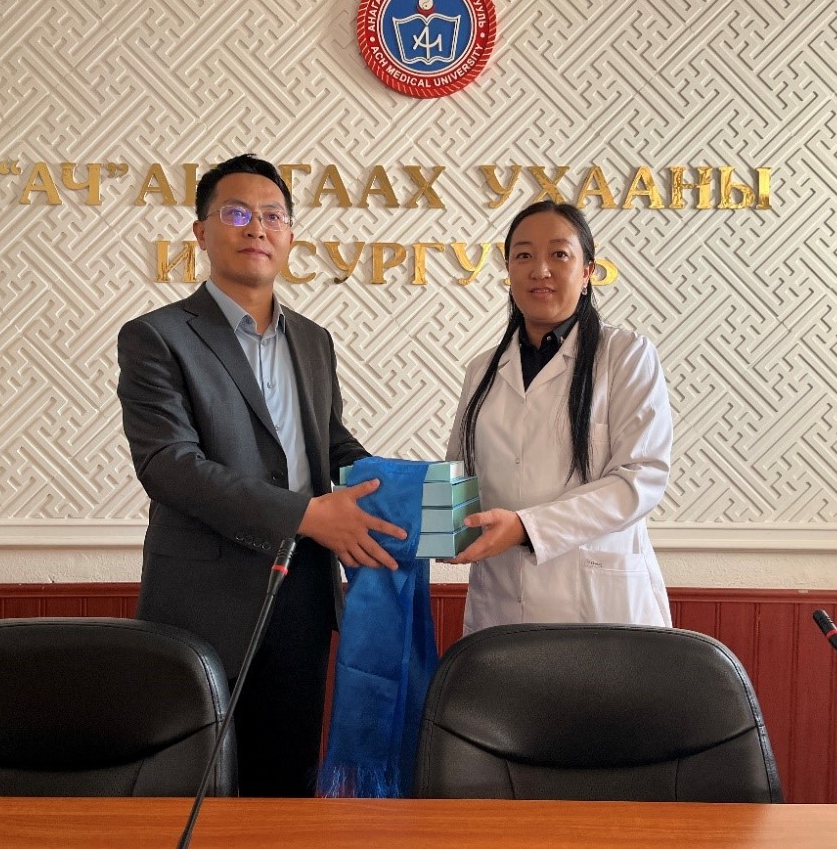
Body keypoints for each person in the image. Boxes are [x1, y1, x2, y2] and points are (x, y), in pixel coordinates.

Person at [116, 154, 405, 797]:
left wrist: (405, 492)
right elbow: (169, 465)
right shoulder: (157, 337)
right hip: (203, 599)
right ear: (201, 232)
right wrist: (307, 515)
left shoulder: (313, 340)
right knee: (195, 786)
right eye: (237, 213)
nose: (256, 228)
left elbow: (329, 446)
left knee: (286, 783)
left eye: (272, 216)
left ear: (290, 236)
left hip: (303, 591)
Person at [446, 200, 673, 633]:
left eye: (559, 254)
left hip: (600, 606)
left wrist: (526, 527)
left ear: (587, 271)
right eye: (524, 255)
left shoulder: (626, 356)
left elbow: (640, 479)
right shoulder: (482, 370)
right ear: (508, 270)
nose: (540, 270)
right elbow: (459, 476)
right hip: (501, 601)